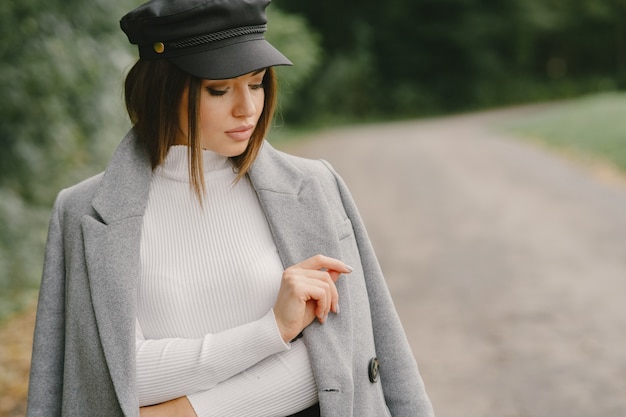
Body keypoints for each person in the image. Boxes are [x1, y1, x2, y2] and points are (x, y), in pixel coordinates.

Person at [26, 0, 435, 416]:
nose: (248, 108)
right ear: (161, 90)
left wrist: (181, 412)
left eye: (256, 83)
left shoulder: (315, 186)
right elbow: (114, 376)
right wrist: (271, 332)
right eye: (218, 89)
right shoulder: (81, 212)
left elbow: (360, 356)